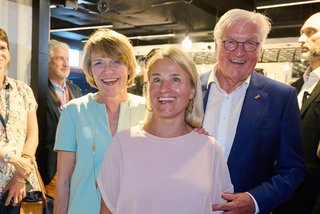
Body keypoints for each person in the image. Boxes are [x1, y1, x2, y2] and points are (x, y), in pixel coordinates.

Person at [97, 46, 233, 214]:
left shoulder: (209, 148)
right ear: (148, 88)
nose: (164, 88)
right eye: (156, 79)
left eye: (176, 79)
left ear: (192, 90)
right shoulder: (122, 144)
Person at [201, 9, 306, 213]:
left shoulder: (281, 98)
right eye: (230, 42)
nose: (240, 52)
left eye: (250, 43)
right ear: (216, 44)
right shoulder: (188, 90)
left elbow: (293, 168)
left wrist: (255, 201)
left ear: (261, 49)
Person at [53, 29, 146, 214]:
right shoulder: (73, 111)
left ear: (129, 67)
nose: (107, 71)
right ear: (90, 69)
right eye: (99, 63)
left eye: (116, 62)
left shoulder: (148, 111)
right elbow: (63, 181)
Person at [275, 12, 320, 214]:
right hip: (286, 196)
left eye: (310, 33)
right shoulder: (296, 87)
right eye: (301, 33)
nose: (301, 39)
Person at [0, 28, 40, 211]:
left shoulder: (23, 90)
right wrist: (13, 159)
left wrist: (19, 175)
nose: (0, 53)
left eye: (3, 48)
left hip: (21, 187)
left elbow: (32, 135)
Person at [36, 39, 82, 198]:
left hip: (76, 168)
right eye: (60, 58)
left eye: (67, 59)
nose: (66, 64)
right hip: (50, 171)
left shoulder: (76, 91)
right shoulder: (39, 91)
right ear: (47, 62)